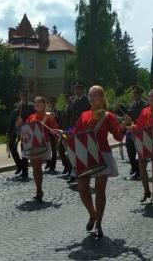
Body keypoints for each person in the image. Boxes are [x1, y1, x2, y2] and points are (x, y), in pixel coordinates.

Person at [52, 85, 127, 238]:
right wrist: (63, 133)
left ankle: (99, 223)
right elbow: (75, 133)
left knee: (100, 192)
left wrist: (124, 126)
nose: (91, 98)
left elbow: (118, 136)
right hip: (84, 155)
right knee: (82, 188)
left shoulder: (108, 116)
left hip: (102, 155)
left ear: (102, 98)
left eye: (95, 95)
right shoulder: (84, 115)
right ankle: (93, 214)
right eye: (90, 95)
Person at [24, 96, 59, 200]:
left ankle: (39, 189)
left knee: (37, 166)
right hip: (32, 144)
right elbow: (26, 129)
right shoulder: (31, 117)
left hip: (43, 144)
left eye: (39, 102)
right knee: (35, 167)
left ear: (44, 104)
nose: (37, 104)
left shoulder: (48, 116)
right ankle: (38, 188)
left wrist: (54, 129)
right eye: (35, 102)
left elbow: (54, 128)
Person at [65, 80, 91, 183]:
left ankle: (80, 172)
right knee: (70, 153)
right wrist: (66, 130)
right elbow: (68, 116)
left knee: (81, 153)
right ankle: (72, 173)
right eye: (75, 88)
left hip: (82, 130)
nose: (77, 90)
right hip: (72, 129)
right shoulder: (72, 101)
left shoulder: (87, 100)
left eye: (79, 88)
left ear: (83, 89)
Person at [7, 89, 35, 180]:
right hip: (15, 130)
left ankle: (25, 172)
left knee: (24, 151)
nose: (23, 96)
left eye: (25, 94)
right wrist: (8, 131)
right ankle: (19, 166)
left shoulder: (31, 106)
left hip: (26, 130)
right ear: (19, 95)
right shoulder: (16, 105)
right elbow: (12, 118)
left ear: (27, 95)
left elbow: (33, 119)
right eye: (21, 94)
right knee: (11, 147)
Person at [125, 85, 147, 179]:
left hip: (140, 132)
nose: (134, 95)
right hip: (130, 131)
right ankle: (134, 167)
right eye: (133, 93)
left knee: (140, 152)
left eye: (136, 93)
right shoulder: (131, 104)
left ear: (140, 94)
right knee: (130, 150)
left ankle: (138, 171)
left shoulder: (145, 105)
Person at [45, 96, 59, 172]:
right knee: (47, 149)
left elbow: (59, 120)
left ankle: (53, 166)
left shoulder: (57, 111)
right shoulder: (47, 112)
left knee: (54, 150)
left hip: (54, 132)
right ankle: (48, 162)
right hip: (47, 132)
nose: (52, 104)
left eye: (53, 102)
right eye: (50, 102)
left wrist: (54, 115)